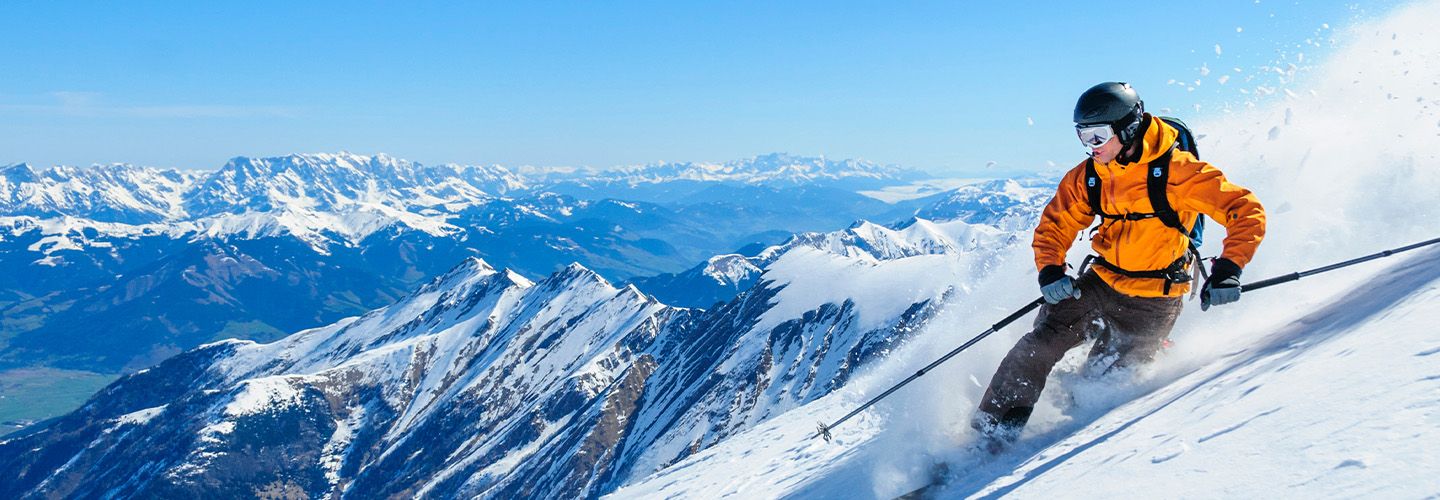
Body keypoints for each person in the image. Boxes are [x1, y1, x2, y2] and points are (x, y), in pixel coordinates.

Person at [970, 82, 1266, 450]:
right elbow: (1054, 227)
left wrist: (1228, 269)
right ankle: (988, 439)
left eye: (1097, 135)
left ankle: (1064, 438)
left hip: (1155, 299)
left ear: (1127, 128)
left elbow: (1246, 211)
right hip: (1100, 282)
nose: (1091, 145)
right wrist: (1051, 270)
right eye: (1082, 136)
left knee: (1101, 383)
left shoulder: (1177, 172)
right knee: (1037, 346)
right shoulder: (1090, 175)